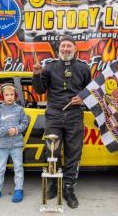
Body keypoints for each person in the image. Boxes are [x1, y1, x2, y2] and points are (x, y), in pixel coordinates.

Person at [32, 35, 91, 208]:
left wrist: (82, 98)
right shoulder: (49, 67)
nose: (65, 49)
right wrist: (36, 74)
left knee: (74, 152)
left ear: (75, 48)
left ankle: (68, 187)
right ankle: (52, 183)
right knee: (52, 150)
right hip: (54, 115)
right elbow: (40, 89)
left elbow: (90, 91)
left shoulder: (83, 68)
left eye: (69, 46)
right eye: (63, 46)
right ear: (58, 50)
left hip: (74, 116)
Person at [0, 83, 29, 203]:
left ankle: (19, 189)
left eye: (11, 95)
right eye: (6, 95)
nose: (9, 97)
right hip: (2, 145)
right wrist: (2, 131)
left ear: (15, 96)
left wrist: (16, 130)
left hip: (16, 144)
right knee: (0, 168)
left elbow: (25, 123)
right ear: (2, 97)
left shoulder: (19, 109)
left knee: (18, 167)